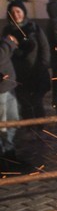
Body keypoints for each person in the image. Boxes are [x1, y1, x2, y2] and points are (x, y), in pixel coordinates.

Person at [2, 0, 51, 120]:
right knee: (24, 103)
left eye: (18, 11)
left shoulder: (33, 28)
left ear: (23, 12)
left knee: (36, 102)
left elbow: (45, 48)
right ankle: (29, 129)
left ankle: (40, 129)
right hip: (18, 75)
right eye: (12, 12)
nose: (16, 15)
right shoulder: (7, 31)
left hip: (36, 72)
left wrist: (43, 66)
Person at [0, 31, 21, 170]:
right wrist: (9, 43)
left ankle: (9, 152)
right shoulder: (5, 43)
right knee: (2, 125)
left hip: (8, 87)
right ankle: (2, 158)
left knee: (13, 121)